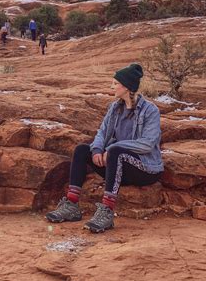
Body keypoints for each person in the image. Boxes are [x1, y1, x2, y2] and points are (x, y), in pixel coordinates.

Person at [46, 63, 164, 233]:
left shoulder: (150, 110)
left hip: (145, 169)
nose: (112, 86)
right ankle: (71, 205)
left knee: (116, 152)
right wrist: (97, 150)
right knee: (82, 150)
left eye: (115, 83)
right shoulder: (114, 108)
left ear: (127, 87)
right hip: (117, 165)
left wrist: (114, 147)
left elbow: (147, 143)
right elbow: (101, 132)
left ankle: (106, 212)